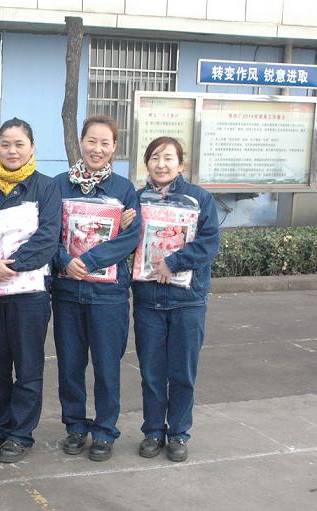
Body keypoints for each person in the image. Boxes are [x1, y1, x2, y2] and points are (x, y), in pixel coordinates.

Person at [50, 114, 141, 462]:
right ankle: (75, 426)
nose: (97, 149)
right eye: (91, 141)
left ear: (114, 147)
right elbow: (47, 231)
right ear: (81, 142)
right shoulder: (59, 185)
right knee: (70, 365)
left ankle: (104, 430)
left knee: (106, 366)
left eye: (105, 143)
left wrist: (87, 260)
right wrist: (63, 259)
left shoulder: (124, 190)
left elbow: (131, 238)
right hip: (68, 292)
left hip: (108, 296)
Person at [0, 118, 61, 463]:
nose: (12, 151)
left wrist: (11, 265)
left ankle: (21, 433)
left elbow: (48, 236)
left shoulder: (46, 188)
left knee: (27, 364)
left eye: (19, 144)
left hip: (30, 294)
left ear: (32, 148)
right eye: (6, 144)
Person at [130, 137, 220, 462]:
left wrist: (173, 262)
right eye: (155, 157)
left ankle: (179, 432)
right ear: (147, 163)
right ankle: (153, 430)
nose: (161, 164)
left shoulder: (199, 199)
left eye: (169, 158)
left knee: (182, 372)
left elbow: (209, 242)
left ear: (181, 164)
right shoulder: (137, 199)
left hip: (188, 300)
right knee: (152, 372)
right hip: (148, 299)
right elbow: (126, 240)